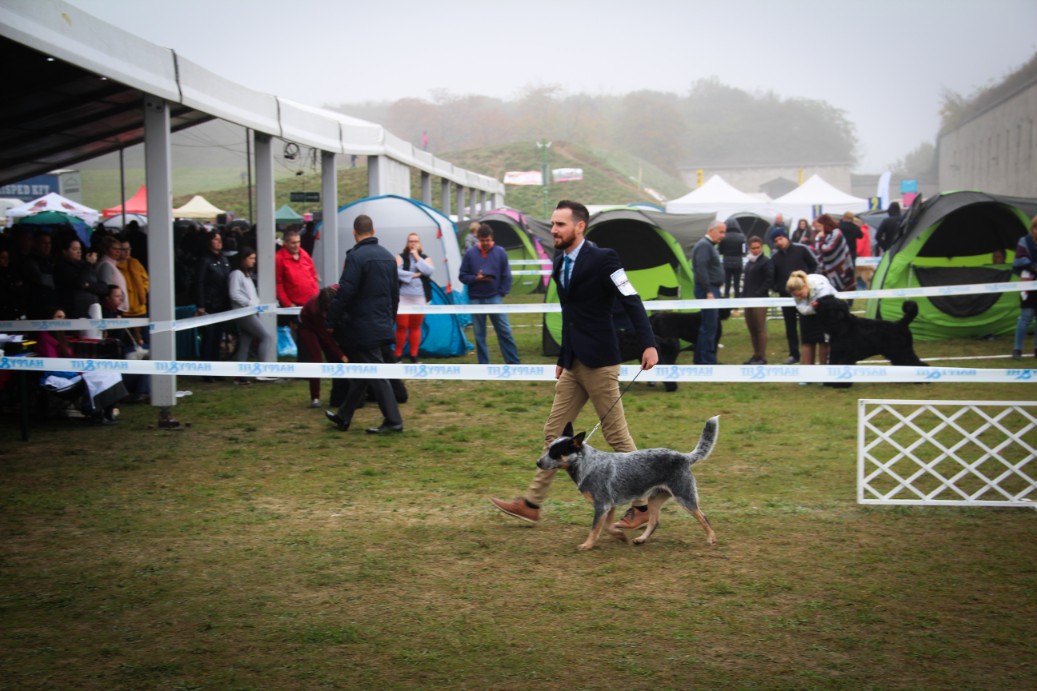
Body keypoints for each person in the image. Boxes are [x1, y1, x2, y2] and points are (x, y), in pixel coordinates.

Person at [490, 200, 659, 529]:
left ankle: (641, 506)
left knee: (617, 437)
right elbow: (569, 315)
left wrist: (649, 343)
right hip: (573, 363)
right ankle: (532, 504)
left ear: (580, 227)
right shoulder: (559, 262)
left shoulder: (605, 258)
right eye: (553, 224)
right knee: (554, 434)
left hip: (600, 361)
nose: (553, 230)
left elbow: (631, 299)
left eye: (560, 224)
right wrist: (563, 357)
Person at [324, 214, 404, 434]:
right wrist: (390, 320)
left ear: (354, 232)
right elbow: (395, 295)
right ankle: (344, 416)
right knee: (363, 372)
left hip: (362, 325)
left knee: (375, 373)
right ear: (373, 231)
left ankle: (394, 421)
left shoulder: (356, 257)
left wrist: (330, 320)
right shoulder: (389, 257)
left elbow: (345, 292)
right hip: (382, 322)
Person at [458, 224, 521, 365]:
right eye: (482, 240)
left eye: (488, 240)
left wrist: (502, 292)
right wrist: (475, 278)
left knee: (505, 331)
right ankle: (483, 365)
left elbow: (506, 275)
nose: (485, 243)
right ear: (478, 238)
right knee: (479, 335)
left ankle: (513, 363)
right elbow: (462, 276)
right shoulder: (470, 253)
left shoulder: (500, 252)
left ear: (492, 238)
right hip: (476, 299)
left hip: (495, 297)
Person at [770, 227, 818, 364]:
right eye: (776, 240)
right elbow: (772, 276)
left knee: (806, 325)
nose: (779, 242)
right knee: (790, 326)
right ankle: (794, 354)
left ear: (786, 237)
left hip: (804, 295)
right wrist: (778, 288)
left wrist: (807, 282)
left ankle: (809, 354)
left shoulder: (801, 250)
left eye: (781, 238)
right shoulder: (775, 258)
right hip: (786, 297)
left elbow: (814, 265)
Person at [228, 246, 274, 377]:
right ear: (243, 259)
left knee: (245, 342)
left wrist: (255, 304)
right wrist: (250, 304)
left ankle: (240, 375)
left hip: (249, 311)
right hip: (243, 312)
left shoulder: (246, 275)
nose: (254, 261)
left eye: (254, 258)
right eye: (251, 258)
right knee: (266, 337)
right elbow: (234, 293)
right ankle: (262, 371)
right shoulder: (236, 274)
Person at [298, 285, 347, 407]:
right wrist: (342, 355)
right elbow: (327, 338)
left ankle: (339, 394)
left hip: (321, 327)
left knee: (333, 359)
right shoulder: (315, 310)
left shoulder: (338, 290)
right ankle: (315, 398)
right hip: (307, 328)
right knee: (317, 360)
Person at [275, 227, 320, 350]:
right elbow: (278, 284)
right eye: (293, 243)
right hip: (295, 307)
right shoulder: (279, 258)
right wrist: (288, 304)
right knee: (303, 337)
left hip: (311, 303)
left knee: (313, 337)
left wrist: (316, 296)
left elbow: (313, 275)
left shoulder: (304, 254)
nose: (297, 245)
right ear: (285, 243)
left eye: (298, 242)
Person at [394, 232, 434, 364]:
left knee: (415, 326)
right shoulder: (400, 257)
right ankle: (397, 356)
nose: (413, 243)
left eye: (416, 241)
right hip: (403, 297)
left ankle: (414, 356)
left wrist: (417, 257)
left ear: (419, 243)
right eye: (411, 241)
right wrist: (414, 275)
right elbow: (395, 272)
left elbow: (429, 271)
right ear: (407, 243)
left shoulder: (425, 258)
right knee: (402, 326)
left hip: (420, 298)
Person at [691, 220, 726, 364]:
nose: (723, 235)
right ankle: (707, 361)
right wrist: (708, 292)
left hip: (711, 289)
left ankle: (701, 360)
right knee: (710, 327)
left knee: (708, 326)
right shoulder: (704, 246)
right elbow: (701, 269)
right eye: (721, 232)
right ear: (711, 231)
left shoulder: (708, 246)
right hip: (708, 290)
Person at [786, 269, 837, 371]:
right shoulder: (794, 290)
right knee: (807, 341)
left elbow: (828, 304)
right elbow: (803, 310)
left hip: (826, 311)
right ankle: (807, 373)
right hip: (809, 312)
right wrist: (813, 308)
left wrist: (819, 306)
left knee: (824, 341)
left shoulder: (821, 287)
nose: (799, 297)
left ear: (805, 286)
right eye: (796, 296)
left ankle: (824, 371)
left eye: (800, 294)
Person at [194, 231, 232, 365]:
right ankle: (206, 367)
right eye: (216, 239)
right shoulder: (204, 260)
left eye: (220, 239)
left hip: (223, 303)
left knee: (218, 337)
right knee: (208, 337)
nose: (219, 242)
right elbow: (199, 282)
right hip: (210, 304)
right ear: (209, 241)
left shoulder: (224, 259)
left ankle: (216, 366)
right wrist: (201, 304)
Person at [742, 235, 774, 364]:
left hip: (760, 300)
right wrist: (743, 297)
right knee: (752, 328)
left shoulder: (766, 261)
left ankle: (762, 356)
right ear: (749, 248)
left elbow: (769, 279)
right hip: (748, 299)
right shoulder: (749, 262)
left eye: (758, 247)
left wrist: (759, 292)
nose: (756, 250)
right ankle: (755, 355)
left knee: (760, 328)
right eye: (753, 248)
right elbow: (746, 281)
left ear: (762, 247)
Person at [1011, 214, 1037, 360]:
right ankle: (1017, 349)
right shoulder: (1024, 241)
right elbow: (1020, 260)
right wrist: (1034, 267)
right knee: (1025, 317)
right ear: (1032, 228)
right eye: (1036, 228)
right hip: (1028, 283)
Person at [117, 238, 149, 348]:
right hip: (125, 311)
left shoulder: (135, 263)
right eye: (123, 249)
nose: (127, 252)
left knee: (144, 342)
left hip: (140, 308)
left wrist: (143, 290)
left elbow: (146, 280)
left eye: (128, 249)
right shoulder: (115, 266)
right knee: (128, 344)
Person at [811, 213, 855, 293]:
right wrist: (819, 239)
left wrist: (820, 239)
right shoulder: (824, 235)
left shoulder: (836, 233)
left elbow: (828, 248)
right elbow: (818, 250)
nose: (819, 229)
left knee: (843, 286)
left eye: (820, 226)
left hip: (841, 266)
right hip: (828, 268)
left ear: (825, 224)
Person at [95, 234, 128, 314]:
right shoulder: (106, 265)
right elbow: (107, 289)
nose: (118, 252)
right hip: (112, 309)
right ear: (106, 250)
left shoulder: (112, 264)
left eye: (119, 249)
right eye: (114, 249)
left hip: (116, 307)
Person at [719, 220, 746, 298]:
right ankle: (737, 298)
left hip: (726, 263)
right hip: (738, 263)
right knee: (737, 283)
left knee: (727, 283)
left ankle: (726, 296)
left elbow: (720, 251)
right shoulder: (742, 237)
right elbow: (744, 251)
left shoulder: (723, 237)